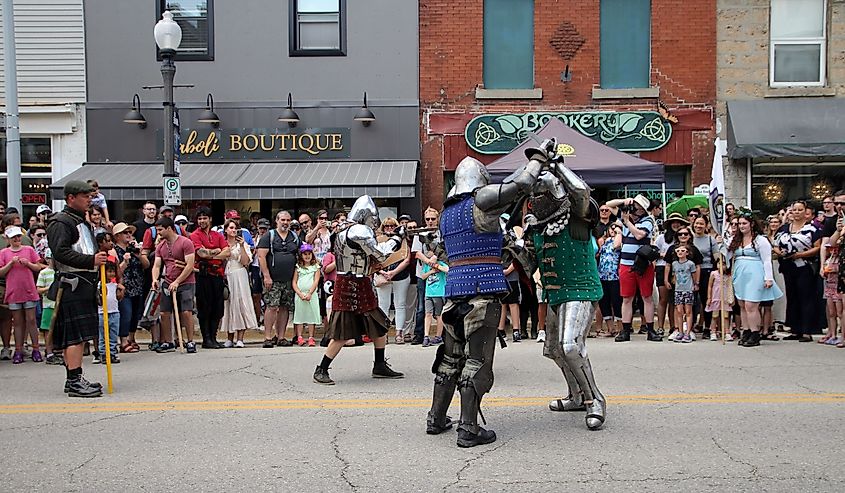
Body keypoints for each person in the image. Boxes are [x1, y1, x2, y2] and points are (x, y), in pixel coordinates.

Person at [426, 144, 546, 448]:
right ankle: (468, 428)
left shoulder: (446, 214)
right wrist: (538, 159)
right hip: (482, 293)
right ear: (480, 181)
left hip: (454, 295)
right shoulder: (481, 202)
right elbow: (519, 185)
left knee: (450, 361)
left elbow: (442, 249)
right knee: (476, 363)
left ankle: (436, 418)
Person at [524, 153, 607, 430]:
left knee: (571, 346)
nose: (535, 198)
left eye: (540, 192)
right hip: (555, 295)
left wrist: (556, 164)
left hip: (581, 289)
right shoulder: (536, 226)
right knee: (553, 349)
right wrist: (510, 246)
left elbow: (582, 191)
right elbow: (528, 264)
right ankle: (575, 395)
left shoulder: (577, 214)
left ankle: (595, 399)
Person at [313, 195, 405, 385]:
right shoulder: (359, 231)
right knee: (342, 332)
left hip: (358, 281)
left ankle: (379, 364)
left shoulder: (342, 230)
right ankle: (321, 368)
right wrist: (397, 237)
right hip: (350, 283)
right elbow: (379, 254)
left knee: (379, 325)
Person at [46, 180, 108, 397]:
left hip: (83, 283)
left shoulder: (80, 221)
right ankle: (74, 380)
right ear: (71, 198)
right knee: (75, 336)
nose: (89, 200)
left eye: (90, 196)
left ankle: (73, 378)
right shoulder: (61, 222)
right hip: (71, 282)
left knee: (80, 335)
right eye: (85, 196)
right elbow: (60, 252)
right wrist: (91, 261)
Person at [605, 194, 660, 342]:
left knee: (647, 297)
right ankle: (626, 330)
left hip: (642, 265)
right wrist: (624, 201)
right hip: (626, 264)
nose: (638, 209)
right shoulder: (625, 217)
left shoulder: (648, 220)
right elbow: (609, 204)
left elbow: (639, 235)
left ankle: (650, 329)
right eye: (636, 206)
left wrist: (627, 222)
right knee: (627, 298)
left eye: (640, 207)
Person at [730, 208, 783, 347]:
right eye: (739, 224)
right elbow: (728, 254)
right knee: (741, 304)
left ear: (751, 224)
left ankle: (755, 333)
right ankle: (746, 331)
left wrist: (768, 278)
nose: (741, 226)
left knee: (751, 304)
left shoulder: (761, 240)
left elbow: (766, 260)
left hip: (755, 273)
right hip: (740, 273)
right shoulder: (737, 240)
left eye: (744, 223)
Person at [776, 200, 822, 342]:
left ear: (805, 212)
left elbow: (817, 247)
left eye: (799, 210)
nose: (796, 212)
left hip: (804, 266)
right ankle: (795, 329)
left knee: (805, 298)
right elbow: (774, 244)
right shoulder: (783, 228)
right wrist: (781, 253)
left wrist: (800, 255)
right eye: (794, 210)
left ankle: (806, 331)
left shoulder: (812, 229)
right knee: (792, 297)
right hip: (788, 266)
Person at [151, 216, 197, 353]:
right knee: (164, 312)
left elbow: (190, 265)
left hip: (186, 282)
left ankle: (190, 341)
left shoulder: (186, 242)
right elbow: (157, 265)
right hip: (168, 281)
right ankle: (168, 341)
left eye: (160, 230)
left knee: (186, 312)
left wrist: (178, 281)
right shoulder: (160, 246)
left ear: (169, 228)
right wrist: (155, 279)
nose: (158, 233)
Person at [0, 225, 44, 363]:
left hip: (29, 289)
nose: (17, 239)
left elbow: (38, 266)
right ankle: (18, 350)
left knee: (31, 320)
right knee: (17, 321)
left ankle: (35, 349)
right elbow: (1, 272)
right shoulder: (4, 253)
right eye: (14, 237)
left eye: (18, 236)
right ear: (8, 238)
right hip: (13, 291)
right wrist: (10, 264)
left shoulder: (28, 250)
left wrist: (28, 264)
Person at [257, 210, 301, 347]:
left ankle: (281, 337)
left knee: (284, 308)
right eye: (283, 220)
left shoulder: (294, 237)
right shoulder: (268, 236)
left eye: (288, 220)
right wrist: (266, 276)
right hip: (272, 279)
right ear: (276, 221)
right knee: (272, 307)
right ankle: (268, 337)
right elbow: (261, 256)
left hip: (288, 280)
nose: (285, 223)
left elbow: (300, 254)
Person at [190, 207, 230, 349]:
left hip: (218, 275)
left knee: (217, 307)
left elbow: (227, 252)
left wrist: (211, 254)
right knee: (204, 307)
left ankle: (213, 337)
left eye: (204, 218)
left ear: (210, 219)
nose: (202, 221)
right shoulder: (195, 235)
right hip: (203, 274)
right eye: (200, 218)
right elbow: (201, 253)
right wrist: (216, 251)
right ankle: (206, 338)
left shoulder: (217, 235)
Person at [373, 217, 412, 344]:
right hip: (383, 274)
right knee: (383, 305)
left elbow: (406, 259)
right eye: (386, 226)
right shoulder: (377, 241)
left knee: (400, 304)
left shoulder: (403, 240)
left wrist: (394, 272)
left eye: (392, 226)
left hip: (400, 275)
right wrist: (382, 272)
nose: (389, 229)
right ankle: (383, 333)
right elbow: (373, 259)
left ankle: (399, 332)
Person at [221, 218, 258, 348]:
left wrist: (242, 246)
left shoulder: (242, 244)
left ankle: (240, 338)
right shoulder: (222, 243)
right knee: (228, 305)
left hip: (239, 274)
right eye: (231, 228)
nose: (233, 230)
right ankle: (229, 338)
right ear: (225, 230)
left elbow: (245, 261)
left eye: (235, 228)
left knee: (240, 303)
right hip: (226, 275)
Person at [113, 222, 147, 353]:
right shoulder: (115, 251)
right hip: (125, 287)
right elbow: (115, 272)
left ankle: (132, 339)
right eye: (125, 233)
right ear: (117, 236)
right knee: (126, 314)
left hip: (137, 285)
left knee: (135, 315)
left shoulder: (133, 248)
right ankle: (123, 341)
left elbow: (146, 265)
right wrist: (125, 261)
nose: (129, 235)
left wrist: (139, 254)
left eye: (129, 232)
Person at [411, 207, 441, 344]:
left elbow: (445, 249)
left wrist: (435, 257)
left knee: (441, 306)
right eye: (427, 219)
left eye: (432, 219)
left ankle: (442, 334)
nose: (430, 221)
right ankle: (420, 334)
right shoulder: (420, 233)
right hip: (423, 273)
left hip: (440, 274)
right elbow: (416, 252)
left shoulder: (442, 233)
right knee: (422, 306)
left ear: (437, 218)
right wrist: (429, 260)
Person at [666, 246, 697, 343]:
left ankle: (687, 333)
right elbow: (674, 275)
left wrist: (695, 284)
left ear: (687, 253)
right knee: (679, 311)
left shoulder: (690, 264)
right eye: (678, 251)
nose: (680, 252)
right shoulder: (674, 264)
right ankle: (680, 331)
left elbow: (694, 275)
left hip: (688, 290)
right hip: (678, 290)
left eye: (683, 251)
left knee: (688, 311)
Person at [597, 223, 622, 337]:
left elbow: (617, 244)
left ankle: (620, 328)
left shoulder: (620, 240)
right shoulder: (605, 241)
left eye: (615, 227)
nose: (613, 229)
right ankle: (610, 328)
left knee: (616, 302)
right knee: (604, 302)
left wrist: (618, 232)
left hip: (614, 276)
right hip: (602, 275)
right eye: (611, 227)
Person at [292, 243, 320, 347]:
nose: (307, 256)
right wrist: (299, 293)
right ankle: (299, 337)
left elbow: (316, 281)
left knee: (311, 316)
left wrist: (309, 293)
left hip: (311, 295)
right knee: (300, 315)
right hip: (300, 295)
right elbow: (294, 282)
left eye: (309, 254)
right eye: (305, 254)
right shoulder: (298, 267)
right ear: (301, 256)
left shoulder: (316, 267)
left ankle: (311, 337)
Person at [97, 261, 123, 364]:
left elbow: (119, 298)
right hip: (102, 313)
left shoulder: (115, 285)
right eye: (109, 271)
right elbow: (98, 300)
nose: (111, 274)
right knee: (103, 335)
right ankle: (103, 354)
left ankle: (112, 353)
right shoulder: (99, 285)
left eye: (113, 272)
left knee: (113, 335)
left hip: (114, 312)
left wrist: (121, 291)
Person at [705, 253, 734, 341]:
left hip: (725, 299)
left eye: (724, 264)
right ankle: (713, 332)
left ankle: (727, 332)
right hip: (715, 297)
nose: (721, 266)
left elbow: (730, 287)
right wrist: (709, 298)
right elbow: (710, 286)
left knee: (725, 316)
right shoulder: (713, 274)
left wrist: (731, 299)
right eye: (719, 264)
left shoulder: (728, 276)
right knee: (715, 315)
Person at [420, 257, 448, 346]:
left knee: (438, 315)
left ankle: (438, 336)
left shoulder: (441, 264)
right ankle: (426, 336)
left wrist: (437, 266)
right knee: (428, 314)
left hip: (439, 293)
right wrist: (431, 271)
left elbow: (447, 270)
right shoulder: (426, 266)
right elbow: (423, 276)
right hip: (428, 293)